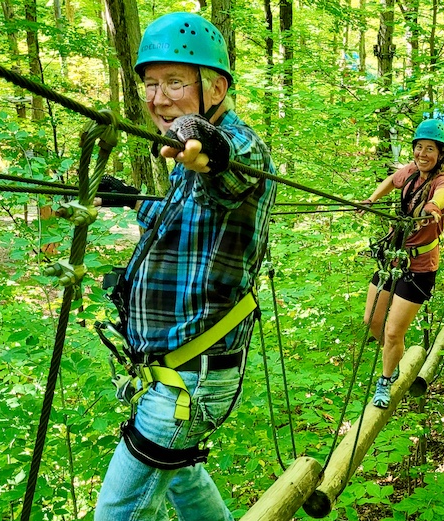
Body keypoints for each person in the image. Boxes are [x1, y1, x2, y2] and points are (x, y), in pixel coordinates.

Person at [93, 12, 277, 521]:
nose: (157, 98)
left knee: (116, 514)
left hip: (192, 378)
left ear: (216, 88)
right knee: (184, 482)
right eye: (151, 84)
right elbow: (189, 223)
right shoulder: (183, 162)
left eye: (175, 81)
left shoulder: (241, 148)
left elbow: (229, 171)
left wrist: (203, 142)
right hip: (175, 374)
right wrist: (133, 202)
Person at [358, 119, 444, 409]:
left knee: (392, 331)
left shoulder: (443, 181)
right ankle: (395, 354)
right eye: (419, 147)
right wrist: (372, 199)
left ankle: (386, 380)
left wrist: (434, 206)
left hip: (420, 267)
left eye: (430, 149)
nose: (422, 153)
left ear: (440, 155)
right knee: (372, 322)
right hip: (393, 255)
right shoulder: (411, 172)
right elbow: (392, 180)